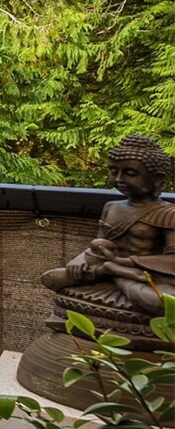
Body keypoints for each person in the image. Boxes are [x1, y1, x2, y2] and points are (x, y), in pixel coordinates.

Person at [42, 134, 175, 315]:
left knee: (160, 302)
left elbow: (172, 261)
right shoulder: (111, 207)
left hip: (142, 277)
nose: (118, 179)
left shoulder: (168, 214)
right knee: (51, 278)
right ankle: (111, 273)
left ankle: (115, 273)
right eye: (113, 172)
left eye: (130, 173)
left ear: (157, 178)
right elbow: (98, 246)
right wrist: (78, 261)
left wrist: (124, 263)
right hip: (101, 270)